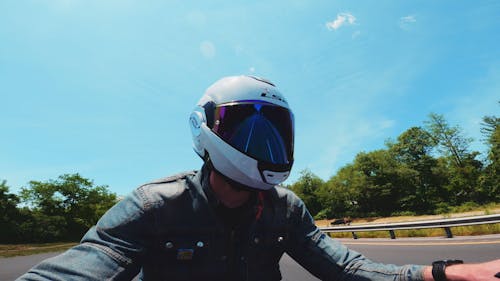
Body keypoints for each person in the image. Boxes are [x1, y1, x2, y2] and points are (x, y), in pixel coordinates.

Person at [18, 75, 500, 281]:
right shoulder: (155, 205)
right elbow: (80, 267)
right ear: (206, 130)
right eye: (246, 126)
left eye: (273, 131)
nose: (263, 143)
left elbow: (345, 268)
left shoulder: (284, 207)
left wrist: (444, 271)